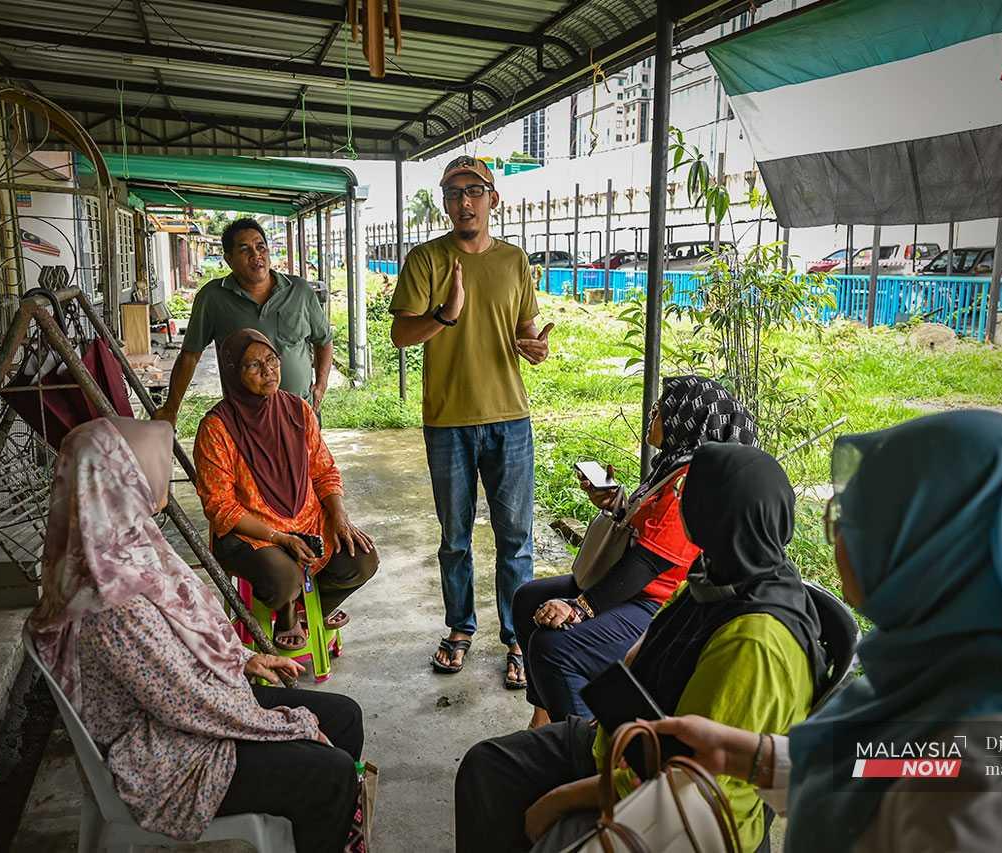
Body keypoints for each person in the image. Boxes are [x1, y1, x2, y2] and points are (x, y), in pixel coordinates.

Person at [649, 411, 1002, 852]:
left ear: (943, 553)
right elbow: (923, 761)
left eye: (867, 517)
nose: (838, 531)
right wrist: (754, 758)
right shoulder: (972, 687)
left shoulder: (994, 815)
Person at [455, 442, 828, 853]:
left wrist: (559, 800)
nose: (680, 499)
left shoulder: (754, 644)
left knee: (516, 799)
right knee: (485, 767)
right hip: (629, 745)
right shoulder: (724, 574)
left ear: (713, 513)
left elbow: (686, 785)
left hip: (683, 814)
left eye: (690, 493)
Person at [26, 417, 364, 852]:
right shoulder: (109, 600)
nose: (157, 478)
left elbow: (182, 644)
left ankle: (320, 836)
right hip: (165, 751)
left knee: (344, 716)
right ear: (117, 479)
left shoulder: (120, 545)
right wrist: (281, 724)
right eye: (145, 468)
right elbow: (184, 704)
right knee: (329, 771)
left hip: (183, 711)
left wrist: (243, 660)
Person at [389, 155, 553, 688]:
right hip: (448, 422)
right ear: (444, 202)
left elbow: (526, 329)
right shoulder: (425, 260)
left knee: (516, 539)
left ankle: (518, 639)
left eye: (474, 191)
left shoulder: (514, 261)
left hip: (510, 419)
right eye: (455, 192)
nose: (465, 201)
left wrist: (535, 349)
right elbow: (400, 335)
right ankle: (460, 629)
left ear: (493, 200)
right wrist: (443, 316)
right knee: (455, 537)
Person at [512, 376, 759, 727]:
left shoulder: (690, 481)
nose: (652, 415)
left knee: (555, 650)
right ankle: (546, 717)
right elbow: (646, 528)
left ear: (685, 419)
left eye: (660, 410)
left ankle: (583, 746)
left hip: (656, 605)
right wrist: (615, 504)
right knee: (527, 600)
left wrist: (580, 609)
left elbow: (647, 561)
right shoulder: (673, 465)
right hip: (633, 590)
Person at [194, 328, 378, 649]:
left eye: (272, 360)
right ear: (233, 372)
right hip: (251, 533)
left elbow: (324, 471)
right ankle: (287, 614)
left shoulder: (297, 410)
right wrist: (279, 538)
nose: (268, 372)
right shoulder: (217, 428)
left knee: (362, 557)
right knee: (284, 577)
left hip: (306, 521)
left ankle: (311, 609)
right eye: (253, 366)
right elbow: (220, 506)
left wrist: (339, 516)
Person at [154, 217, 333, 426]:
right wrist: (171, 408)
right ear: (229, 259)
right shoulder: (213, 298)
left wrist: (320, 386)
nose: (256, 255)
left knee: (306, 460)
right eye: (245, 249)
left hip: (300, 415)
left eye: (260, 247)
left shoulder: (300, 291)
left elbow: (324, 340)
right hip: (246, 421)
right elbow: (190, 356)